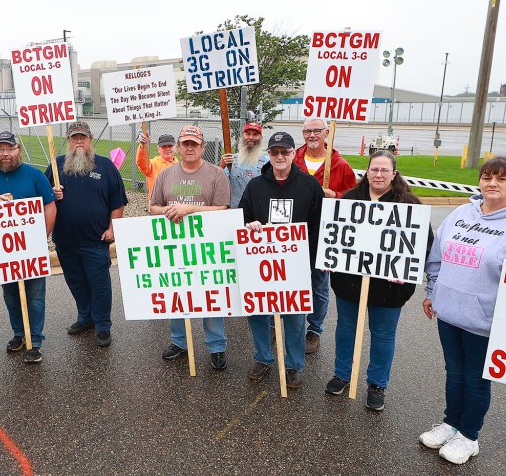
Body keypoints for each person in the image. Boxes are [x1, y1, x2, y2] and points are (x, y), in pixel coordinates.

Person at [420, 156, 506, 465]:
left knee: (476, 379)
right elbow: (437, 256)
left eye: (501, 179)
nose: (492, 183)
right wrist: (432, 291)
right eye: (487, 177)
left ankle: (469, 436)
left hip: (486, 320)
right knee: (454, 373)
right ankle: (451, 423)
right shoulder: (461, 213)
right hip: (449, 313)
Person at [325, 151, 432, 411]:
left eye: (385, 170)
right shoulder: (350, 199)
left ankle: (377, 384)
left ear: (394, 174)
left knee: (383, 335)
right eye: (374, 169)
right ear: (367, 172)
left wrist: (406, 268)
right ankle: (342, 374)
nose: (379, 174)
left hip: (389, 288)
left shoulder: (409, 205)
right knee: (346, 328)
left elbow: (424, 244)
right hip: (350, 283)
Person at [238, 132, 323, 389]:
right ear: (270, 154)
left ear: (293, 153)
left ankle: (294, 365)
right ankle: (263, 357)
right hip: (260, 264)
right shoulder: (256, 186)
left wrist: (316, 260)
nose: (279, 156)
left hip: (297, 266)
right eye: (274, 152)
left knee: (295, 318)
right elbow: (241, 217)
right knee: (257, 313)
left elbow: (320, 225)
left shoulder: (309, 185)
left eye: (284, 152)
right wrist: (249, 225)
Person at [149, 125, 232, 370]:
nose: (189, 148)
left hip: (207, 247)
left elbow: (223, 209)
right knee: (177, 293)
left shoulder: (217, 174)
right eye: (185, 143)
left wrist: (190, 209)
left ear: (202, 148)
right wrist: (169, 210)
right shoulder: (166, 174)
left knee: (210, 296)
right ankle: (179, 341)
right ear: (179, 147)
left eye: (194, 144)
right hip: (175, 247)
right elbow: (154, 207)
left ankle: (217, 346)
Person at [0, 131, 57, 364]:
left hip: (32, 248)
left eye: (10, 149)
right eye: (1, 149)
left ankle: (35, 341)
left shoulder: (34, 175)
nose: (6, 154)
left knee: (35, 295)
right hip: (2, 251)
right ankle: (20, 333)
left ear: (18, 150)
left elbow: (50, 206)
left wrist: (44, 236)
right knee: (10, 295)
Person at [46, 122, 128, 347]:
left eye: (83, 137)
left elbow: (118, 201)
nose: (79, 141)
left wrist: (113, 228)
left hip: (95, 241)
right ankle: (85, 317)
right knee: (77, 283)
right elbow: (43, 201)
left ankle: (102, 325)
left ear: (90, 139)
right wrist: (51, 194)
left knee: (99, 284)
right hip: (65, 240)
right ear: (68, 141)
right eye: (74, 138)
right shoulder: (56, 166)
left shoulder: (105, 166)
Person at [293, 117, 358, 355]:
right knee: (289, 279)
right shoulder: (293, 159)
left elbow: (355, 200)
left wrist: (337, 196)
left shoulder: (340, 165)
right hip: (294, 232)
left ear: (326, 133)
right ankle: (289, 324)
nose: (311, 135)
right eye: (307, 131)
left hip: (323, 234)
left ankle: (314, 329)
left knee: (318, 285)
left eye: (316, 131)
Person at [219, 120, 270, 208]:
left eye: (255, 134)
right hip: (235, 212)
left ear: (261, 138)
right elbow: (218, 184)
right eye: (248, 134)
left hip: (258, 212)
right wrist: (221, 167)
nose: (251, 137)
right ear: (243, 136)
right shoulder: (231, 160)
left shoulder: (267, 162)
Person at [136, 132, 176, 210]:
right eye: (164, 147)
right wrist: (142, 146)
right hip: (157, 208)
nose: (167, 149)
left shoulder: (179, 165)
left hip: (175, 207)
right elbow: (141, 162)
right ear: (158, 149)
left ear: (175, 147)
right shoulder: (153, 164)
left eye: (170, 146)